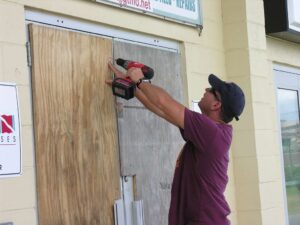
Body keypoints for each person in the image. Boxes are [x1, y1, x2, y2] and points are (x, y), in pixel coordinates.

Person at [106, 61, 245, 225]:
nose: (206, 90)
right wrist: (133, 87)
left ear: (216, 104)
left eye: (212, 90)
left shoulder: (211, 132)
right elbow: (160, 109)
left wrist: (139, 81)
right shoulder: (210, 132)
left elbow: (163, 103)